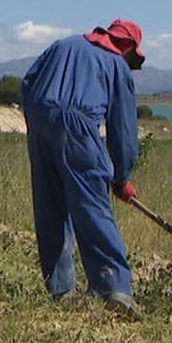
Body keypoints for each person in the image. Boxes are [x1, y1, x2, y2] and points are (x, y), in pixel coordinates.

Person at [21, 19, 145, 317]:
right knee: (92, 205)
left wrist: (40, 119)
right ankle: (114, 288)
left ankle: (61, 289)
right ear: (127, 47)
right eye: (133, 57)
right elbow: (123, 129)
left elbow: (27, 83)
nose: (131, 62)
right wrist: (122, 177)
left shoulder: (64, 44)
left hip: (39, 118)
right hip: (78, 124)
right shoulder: (116, 65)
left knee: (51, 206)